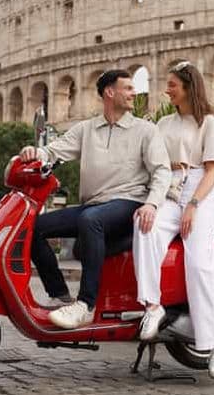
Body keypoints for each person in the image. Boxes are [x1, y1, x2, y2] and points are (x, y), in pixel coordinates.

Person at [19, 68, 170, 330]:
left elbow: (161, 171)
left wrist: (152, 203)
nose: (134, 93)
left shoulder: (146, 130)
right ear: (110, 92)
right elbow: (55, 150)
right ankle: (59, 294)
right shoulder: (86, 129)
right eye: (128, 88)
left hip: (129, 202)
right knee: (32, 227)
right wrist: (36, 153)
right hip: (95, 205)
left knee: (90, 219)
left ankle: (86, 305)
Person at [132, 61, 214, 379]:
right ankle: (152, 306)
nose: (166, 89)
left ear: (188, 86)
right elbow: (154, 164)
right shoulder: (164, 124)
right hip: (171, 189)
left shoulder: (209, 123)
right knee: (144, 226)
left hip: (201, 190)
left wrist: (194, 205)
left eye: (172, 84)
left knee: (199, 260)